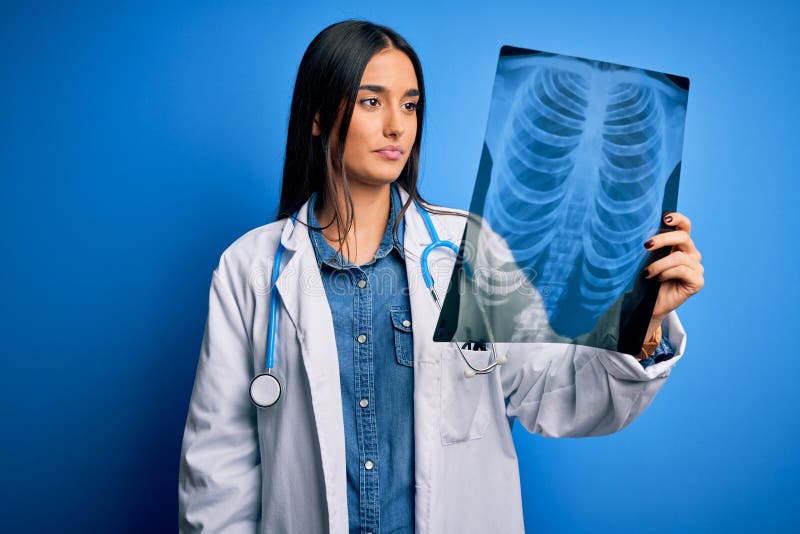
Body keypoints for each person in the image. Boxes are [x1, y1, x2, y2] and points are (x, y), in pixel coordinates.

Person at [178, 20, 705, 534]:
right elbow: (218, 470)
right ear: (317, 116)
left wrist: (645, 320)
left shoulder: (466, 250)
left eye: (410, 105)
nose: (397, 126)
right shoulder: (249, 268)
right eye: (371, 101)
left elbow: (553, 391)